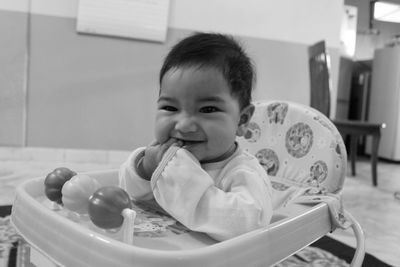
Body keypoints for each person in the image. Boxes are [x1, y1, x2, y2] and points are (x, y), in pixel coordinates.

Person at [119, 32, 273, 241]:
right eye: (170, 107)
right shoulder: (160, 156)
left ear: (242, 120)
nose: (183, 125)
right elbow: (131, 196)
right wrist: (145, 169)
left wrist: (179, 174)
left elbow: (248, 225)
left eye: (208, 109)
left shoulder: (242, 173)